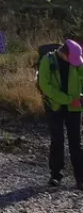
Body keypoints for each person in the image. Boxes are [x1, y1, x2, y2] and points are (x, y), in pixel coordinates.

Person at [37, 38, 83, 187]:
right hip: (54, 106)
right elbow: (46, 87)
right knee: (57, 140)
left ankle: (80, 178)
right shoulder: (47, 61)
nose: (75, 62)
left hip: (74, 108)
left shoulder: (77, 63)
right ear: (64, 54)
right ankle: (56, 174)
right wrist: (69, 99)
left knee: (76, 142)